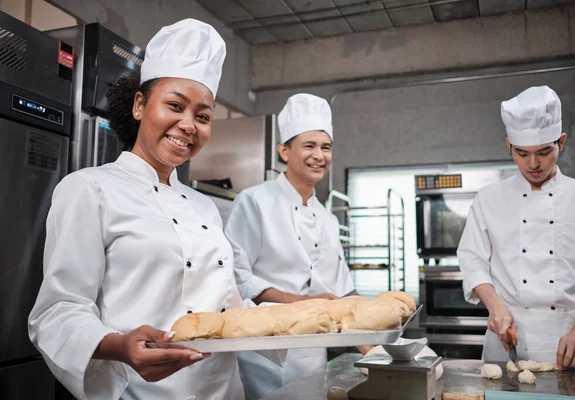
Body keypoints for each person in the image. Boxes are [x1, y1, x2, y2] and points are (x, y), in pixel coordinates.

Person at [28, 19, 268, 399]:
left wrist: (293, 318)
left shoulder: (205, 207)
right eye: (175, 105)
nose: (188, 125)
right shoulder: (89, 189)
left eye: (203, 116)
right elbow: (58, 311)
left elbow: (225, 304)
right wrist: (119, 345)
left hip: (224, 390)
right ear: (140, 105)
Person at [224, 93, 364, 399]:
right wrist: (297, 301)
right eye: (309, 146)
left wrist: (381, 349)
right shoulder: (255, 201)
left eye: (326, 147)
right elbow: (235, 276)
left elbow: (342, 292)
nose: (319, 155)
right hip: (265, 352)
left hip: (314, 353)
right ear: (284, 151)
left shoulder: (326, 218)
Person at [457, 86, 575, 368]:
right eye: (521, 153)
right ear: (509, 145)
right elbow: (471, 259)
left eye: (544, 152)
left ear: (562, 141)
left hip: (571, 344)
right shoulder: (488, 199)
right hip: (505, 341)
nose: (533, 164)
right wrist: (495, 306)